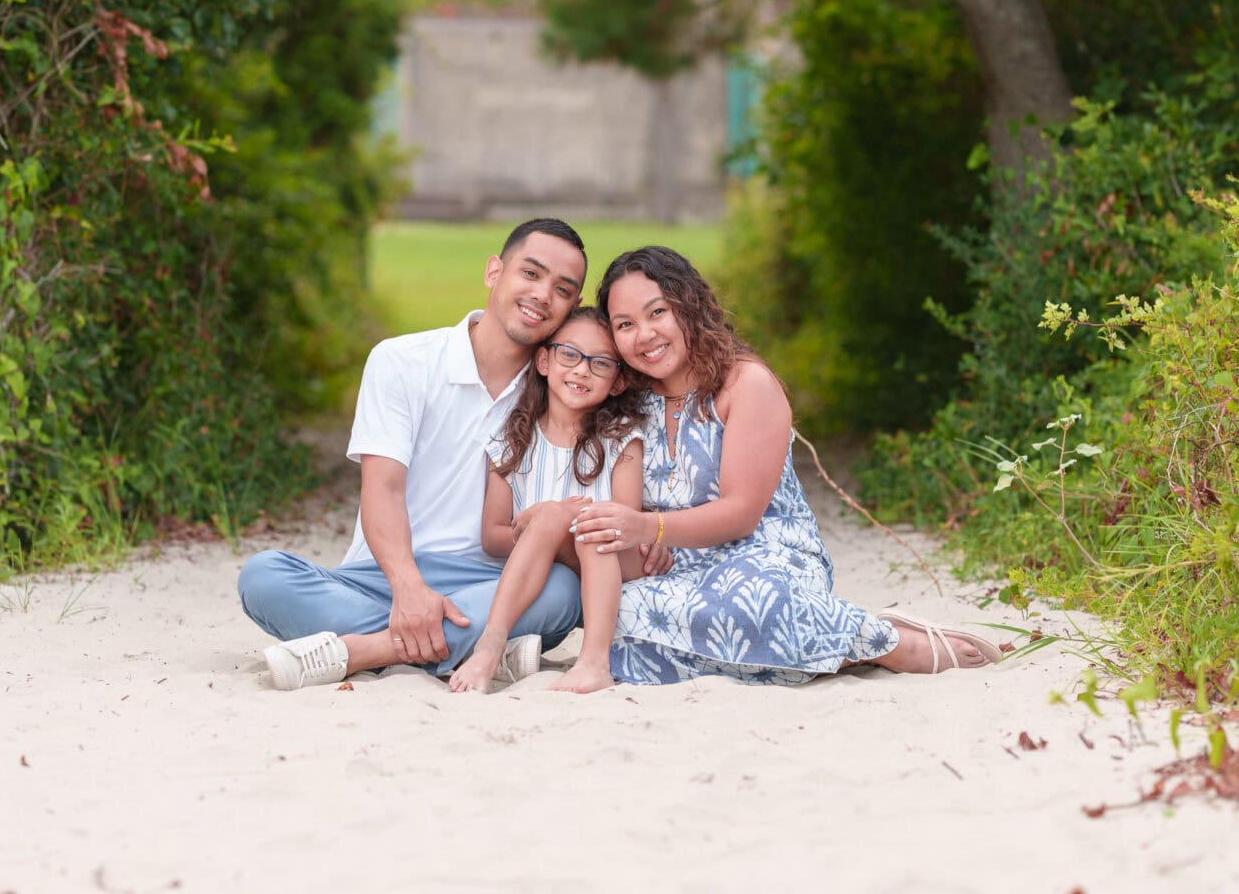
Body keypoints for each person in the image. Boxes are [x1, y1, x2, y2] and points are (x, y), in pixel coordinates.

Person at [570, 245, 1003, 684]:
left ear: (689, 305)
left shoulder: (745, 384)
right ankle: (826, 646)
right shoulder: (631, 402)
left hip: (765, 556)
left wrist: (647, 527)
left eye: (657, 312)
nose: (644, 335)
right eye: (625, 324)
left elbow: (741, 514)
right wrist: (642, 541)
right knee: (612, 611)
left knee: (754, 602)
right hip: (675, 568)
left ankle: (889, 641)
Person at [237, 219, 590, 690]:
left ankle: (365, 651)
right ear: (494, 272)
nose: (543, 294)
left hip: (495, 587)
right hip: (380, 576)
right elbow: (382, 487)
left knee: (563, 591)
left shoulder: (564, 390)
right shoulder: (401, 361)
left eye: (562, 289)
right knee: (262, 577)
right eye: (531, 273)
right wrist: (408, 589)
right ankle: (481, 650)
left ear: (572, 308)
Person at [448, 307, 654, 694]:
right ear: (544, 360)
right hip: (548, 564)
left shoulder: (622, 438)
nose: (581, 371)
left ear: (617, 381)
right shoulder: (511, 439)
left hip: (611, 559)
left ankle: (594, 663)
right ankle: (490, 647)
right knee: (550, 518)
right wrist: (545, 519)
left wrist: (569, 519)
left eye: (600, 363)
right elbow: (493, 537)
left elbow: (624, 522)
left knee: (592, 527)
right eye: (569, 354)